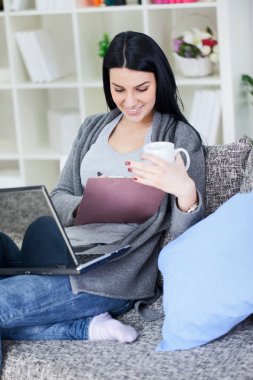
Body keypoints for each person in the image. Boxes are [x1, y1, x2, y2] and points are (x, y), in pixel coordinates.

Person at [0, 31, 205, 368]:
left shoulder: (178, 138)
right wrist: (86, 206)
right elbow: (59, 195)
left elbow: (188, 239)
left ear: (160, 82)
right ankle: (87, 328)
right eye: (118, 89)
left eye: (141, 89)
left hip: (110, 277)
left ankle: (86, 324)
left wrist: (185, 192)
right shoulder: (93, 127)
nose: (130, 101)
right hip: (61, 254)